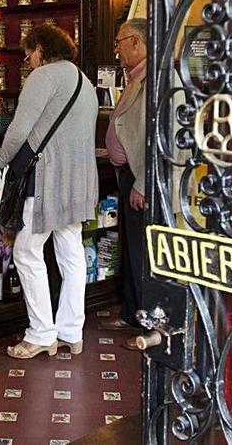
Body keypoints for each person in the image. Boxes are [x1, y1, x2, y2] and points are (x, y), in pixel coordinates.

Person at [0, 24, 99, 360]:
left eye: (29, 53)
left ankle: (41, 333)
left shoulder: (43, 77)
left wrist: (0, 161)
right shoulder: (83, 81)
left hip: (47, 180)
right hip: (79, 181)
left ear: (42, 50)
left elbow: (19, 129)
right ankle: (71, 332)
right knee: (71, 253)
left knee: (27, 252)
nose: (28, 61)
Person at [99, 19, 149, 350]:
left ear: (137, 42)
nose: (116, 49)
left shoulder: (153, 78)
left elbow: (156, 138)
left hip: (140, 178)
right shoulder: (133, 78)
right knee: (129, 251)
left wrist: (143, 184)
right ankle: (131, 313)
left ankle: (149, 324)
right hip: (126, 174)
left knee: (142, 253)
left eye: (120, 41)